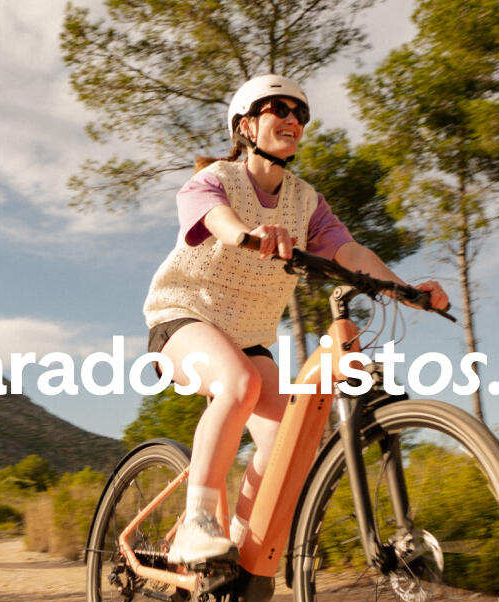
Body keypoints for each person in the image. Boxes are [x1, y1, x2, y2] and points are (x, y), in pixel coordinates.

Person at [142, 74, 449, 565]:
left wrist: (406, 289)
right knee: (238, 383)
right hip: (183, 318)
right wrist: (248, 232)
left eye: (299, 114)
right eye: (278, 110)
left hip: (248, 336)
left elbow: (348, 250)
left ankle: (241, 548)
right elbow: (216, 220)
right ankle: (196, 524)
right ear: (246, 126)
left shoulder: (306, 202)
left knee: (293, 435)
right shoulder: (215, 180)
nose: (292, 119)